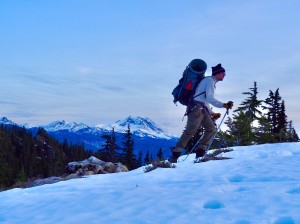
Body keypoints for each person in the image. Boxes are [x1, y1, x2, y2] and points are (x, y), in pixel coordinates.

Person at [169, 63, 233, 163]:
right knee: (190, 131)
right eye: (223, 73)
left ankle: (201, 151)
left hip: (201, 109)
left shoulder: (210, 81)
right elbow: (209, 98)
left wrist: (212, 113)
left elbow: (204, 100)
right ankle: (175, 154)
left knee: (211, 128)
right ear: (218, 73)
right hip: (195, 108)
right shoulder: (210, 80)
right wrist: (223, 105)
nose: (224, 75)